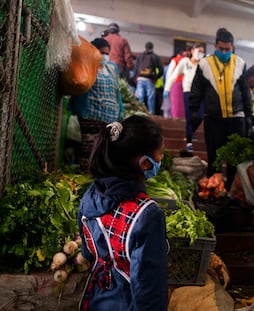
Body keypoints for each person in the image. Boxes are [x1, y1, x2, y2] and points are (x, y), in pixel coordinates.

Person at [77, 115, 168, 310]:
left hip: (95, 299)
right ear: (145, 163)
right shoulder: (147, 214)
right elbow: (148, 292)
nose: (162, 159)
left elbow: (87, 251)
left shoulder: (90, 196)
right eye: (160, 154)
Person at [189, 27, 252, 187]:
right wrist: (194, 109)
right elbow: (197, 88)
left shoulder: (240, 63)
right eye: (221, 49)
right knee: (214, 157)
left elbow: (245, 92)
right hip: (213, 119)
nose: (224, 52)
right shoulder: (204, 64)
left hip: (236, 119)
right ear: (215, 46)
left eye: (227, 49)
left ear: (232, 47)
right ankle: (213, 189)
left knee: (234, 160)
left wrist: (249, 116)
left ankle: (230, 190)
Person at [68, 37, 123, 171]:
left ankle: (98, 177)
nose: (105, 56)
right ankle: (85, 175)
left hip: (109, 117)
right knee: (90, 148)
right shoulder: (86, 65)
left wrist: (120, 110)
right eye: (102, 52)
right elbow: (80, 86)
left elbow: (117, 92)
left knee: (104, 151)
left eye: (107, 53)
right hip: (91, 115)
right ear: (94, 51)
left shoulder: (111, 69)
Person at [164, 43, 205, 152]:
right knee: (190, 117)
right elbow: (174, 75)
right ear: (192, 51)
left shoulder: (203, 65)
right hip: (188, 92)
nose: (200, 53)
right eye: (198, 51)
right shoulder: (184, 62)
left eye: (202, 51)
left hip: (200, 94)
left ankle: (191, 132)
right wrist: (167, 88)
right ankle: (189, 142)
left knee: (200, 116)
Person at [134, 42, 164, 114]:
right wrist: (156, 78)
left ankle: (139, 113)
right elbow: (161, 70)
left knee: (140, 97)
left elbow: (135, 69)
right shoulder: (155, 57)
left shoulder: (140, 56)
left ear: (145, 48)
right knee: (151, 98)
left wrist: (136, 78)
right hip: (150, 80)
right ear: (152, 48)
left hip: (140, 79)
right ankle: (151, 115)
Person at [164, 50, 187, 119]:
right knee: (183, 104)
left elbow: (169, 74)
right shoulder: (187, 61)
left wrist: (167, 87)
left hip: (176, 84)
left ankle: (175, 118)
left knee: (175, 104)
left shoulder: (175, 60)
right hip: (185, 85)